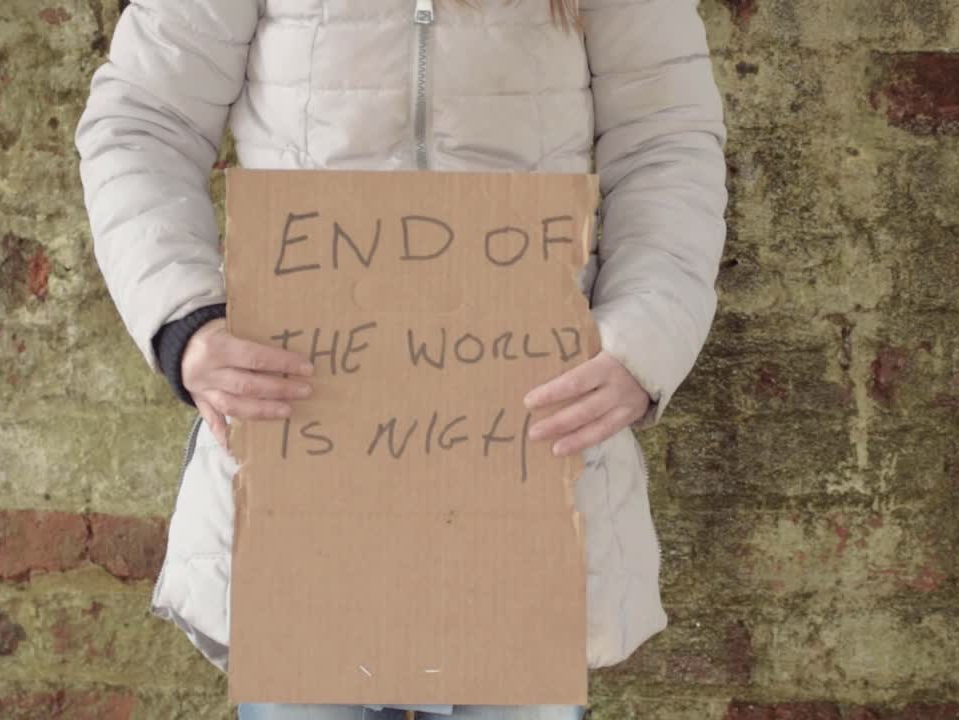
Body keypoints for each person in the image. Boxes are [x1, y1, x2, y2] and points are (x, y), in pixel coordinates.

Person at [74, 0, 728, 717]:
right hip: (303, 469)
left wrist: (643, 342)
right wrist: (184, 320)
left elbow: (667, 147)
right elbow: (141, 122)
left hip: (527, 464)